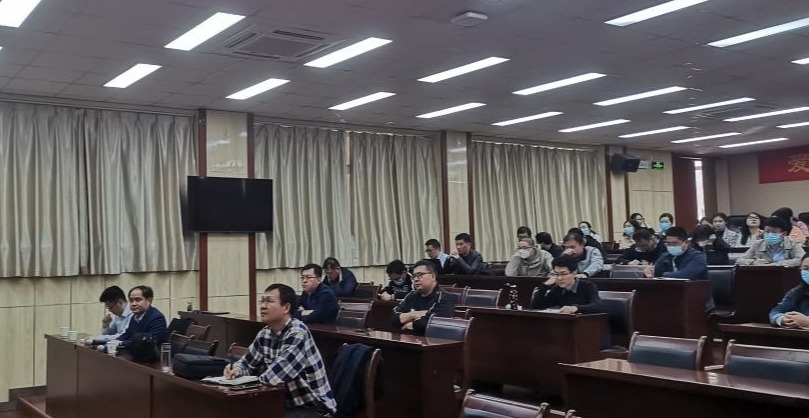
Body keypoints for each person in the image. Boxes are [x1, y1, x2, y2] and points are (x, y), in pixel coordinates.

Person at [225, 284, 337, 417]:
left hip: (313, 408)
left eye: (269, 301)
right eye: (262, 301)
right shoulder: (265, 333)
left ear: (286, 308)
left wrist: (246, 383)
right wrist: (236, 370)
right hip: (283, 403)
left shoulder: (297, 333)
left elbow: (276, 376)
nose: (263, 306)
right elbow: (247, 363)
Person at [645, 227, 713, 311]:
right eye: (668, 244)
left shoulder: (698, 257)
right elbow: (655, 273)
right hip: (672, 301)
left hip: (698, 302)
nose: (671, 247)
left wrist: (663, 276)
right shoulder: (665, 256)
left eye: (675, 244)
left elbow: (684, 276)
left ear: (686, 243)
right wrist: (649, 275)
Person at [390, 260, 455, 335]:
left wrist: (409, 324)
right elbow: (394, 318)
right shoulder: (411, 295)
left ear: (433, 276)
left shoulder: (444, 298)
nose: (416, 279)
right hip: (407, 339)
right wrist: (413, 314)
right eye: (414, 276)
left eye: (420, 275)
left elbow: (430, 323)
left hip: (432, 340)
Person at [530, 255, 602, 314]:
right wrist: (544, 286)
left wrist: (575, 308)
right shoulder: (558, 289)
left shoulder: (588, 286)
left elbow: (597, 306)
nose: (560, 278)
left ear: (574, 273)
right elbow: (537, 306)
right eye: (556, 274)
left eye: (563, 274)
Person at [736, 217, 806, 267]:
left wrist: (775, 265)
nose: (770, 234)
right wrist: (753, 262)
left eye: (774, 232)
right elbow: (740, 260)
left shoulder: (792, 243)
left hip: (786, 275)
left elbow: (802, 259)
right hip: (764, 276)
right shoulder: (758, 244)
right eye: (767, 231)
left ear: (784, 234)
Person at [768, 254, 809, 328]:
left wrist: (807, 321)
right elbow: (775, 312)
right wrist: (783, 319)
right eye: (805, 268)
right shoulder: (797, 291)